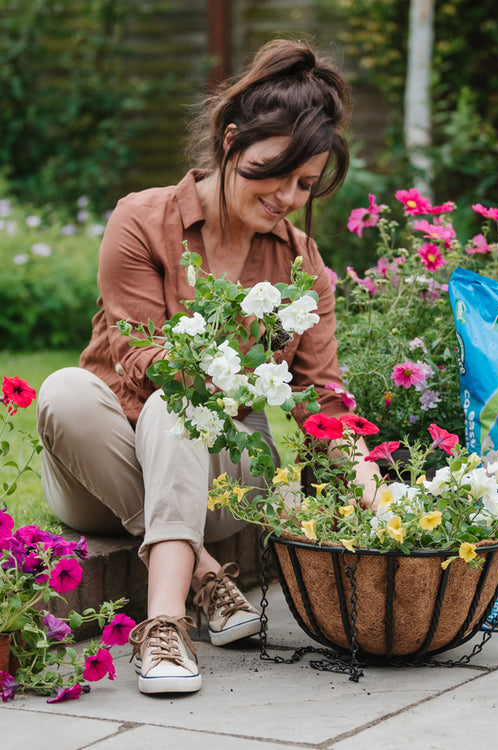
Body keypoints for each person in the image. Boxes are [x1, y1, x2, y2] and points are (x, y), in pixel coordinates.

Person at [36, 38, 379, 696]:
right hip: (102, 471)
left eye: (305, 185)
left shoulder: (302, 267)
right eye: (273, 171)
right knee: (68, 393)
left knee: (185, 407)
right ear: (230, 143)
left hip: (224, 483)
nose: (286, 196)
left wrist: (367, 475)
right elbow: (139, 359)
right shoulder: (142, 221)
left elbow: (324, 400)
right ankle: (203, 577)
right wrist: (223, 354)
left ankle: (163, 626)